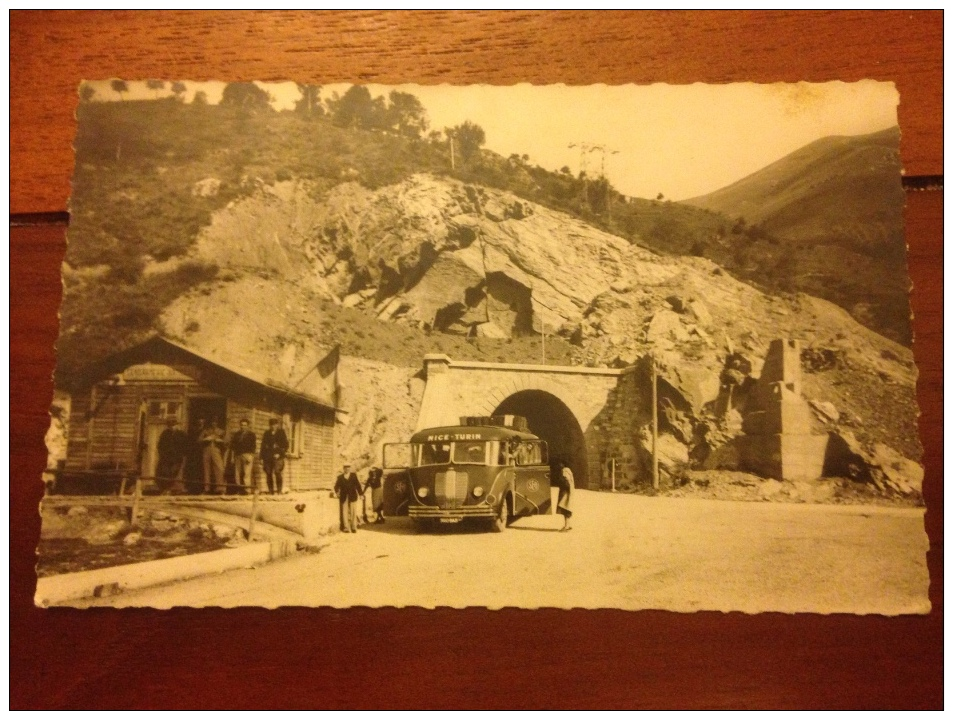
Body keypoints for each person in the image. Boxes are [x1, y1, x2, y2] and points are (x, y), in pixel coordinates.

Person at [155, 417, 188, 494]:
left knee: (175, 472)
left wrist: (182, 454)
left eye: (173, 425)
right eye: (170, 425)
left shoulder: (181, 434)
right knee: (165, 473)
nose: (171, 427)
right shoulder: (165, 433)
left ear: (176, 425)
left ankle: (173, 489)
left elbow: (185, 445)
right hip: (166, 457)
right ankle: (165, 489)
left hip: (177, 457)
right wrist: (162, 454)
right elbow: (160, 445)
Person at [260, 417, 289, 495]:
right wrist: (261, 458)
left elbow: (286, 445)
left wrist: (279, 454)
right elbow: (262, 446)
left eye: (275, 425)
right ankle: (270, 491)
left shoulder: (281, 433)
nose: (273, 426)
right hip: (268, 456)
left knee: (277, 472)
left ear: (277, 425)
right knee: (268, 473)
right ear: (270, 425)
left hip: (278, 457)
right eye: (271, 425)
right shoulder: (267, 433)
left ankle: (279, 490)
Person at [228, 418, 257, 494]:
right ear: (240, 425)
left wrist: (251, 456)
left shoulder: (251, 435)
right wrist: (232, 457)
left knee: (246, 474)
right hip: (238, 455)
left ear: (248, 426)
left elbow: (253, 446)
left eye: (245, 425)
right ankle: (239, 490)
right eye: (241, 425)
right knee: (237, 473)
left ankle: (247, 490)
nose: (243, 426)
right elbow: (233, 447)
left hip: (247, 455)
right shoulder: (237, 434)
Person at [200, 418, 226, 494]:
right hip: (207, 450)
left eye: (215, 422)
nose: (214, 424)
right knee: (206, 469)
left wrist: (221, 441)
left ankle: (220, 488)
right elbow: (199, 440)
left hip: (216, 450)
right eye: (212, 422)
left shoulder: (221, 431)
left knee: (219, 468)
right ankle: (206, 488)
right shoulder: (206, 431)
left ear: (217, 423)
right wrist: (206, 439)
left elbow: (227, 442)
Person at [334, 464, 363, 533]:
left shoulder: (353, 476)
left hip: (352, 496)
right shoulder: (340, 477)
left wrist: (361, 494)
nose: (347, 469)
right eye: (345, 468)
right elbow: (336, 487)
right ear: (343, 469)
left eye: (348, 468)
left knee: (353, 511)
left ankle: (353, 527)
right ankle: (346, 527)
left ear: (350, 468)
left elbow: (358, 485)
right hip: (344, 497)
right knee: (345, 512)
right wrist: (337, 493)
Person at [552, 457, 575, 532]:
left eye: (560, 463)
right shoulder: (569, 470)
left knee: (565, 508)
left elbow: (566, 482)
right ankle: (568, 525)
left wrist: (561, 484)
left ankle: (566, 526)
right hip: (569, 491)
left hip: (565, 492)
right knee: (567, 508)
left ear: (563, 464)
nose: (559, 465)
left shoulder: (564, 471)